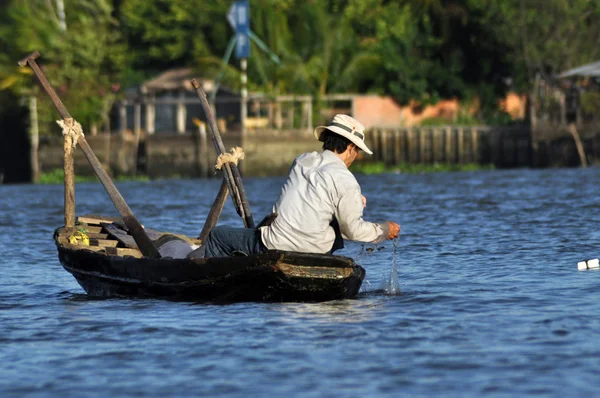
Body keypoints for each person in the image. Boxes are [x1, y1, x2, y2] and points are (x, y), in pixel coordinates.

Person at [190, 114, 400, 259]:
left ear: (326, 140)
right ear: (352, 148)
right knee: (221, 236)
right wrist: (383, 229)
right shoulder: (347, 181)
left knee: (217, 236)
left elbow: (313, 195)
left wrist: (355, 200)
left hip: (275, 243)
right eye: (357, 152)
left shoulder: (301, 161)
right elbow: (353, 230)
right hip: (317, 249)